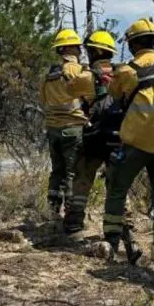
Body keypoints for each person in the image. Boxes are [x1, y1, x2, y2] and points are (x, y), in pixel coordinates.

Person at [103, 18, 154, 266]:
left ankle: (112, 241)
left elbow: (113, 96)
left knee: (117, 187)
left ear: (135, 43)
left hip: (137, 141)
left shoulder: (128, 70)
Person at [63, 30, 122, 243]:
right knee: (117, 185)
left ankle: (73, 225)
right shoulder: (123, 73)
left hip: (94, 135)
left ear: (95, 51)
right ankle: (118, 231)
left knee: (82, 179)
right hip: (118, 138)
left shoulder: (87, 76)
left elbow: (69, 89)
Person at [40, 29, 94, 233]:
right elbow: (90, 95)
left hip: (53, 130)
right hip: (72, 130)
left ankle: (52, 213)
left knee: (57, 173)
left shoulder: (49, 75)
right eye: (77, 46)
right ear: (69, 48)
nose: (80, 50)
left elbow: (44, 100)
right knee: (73, 174)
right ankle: (72, 220)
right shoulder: (77, 71)